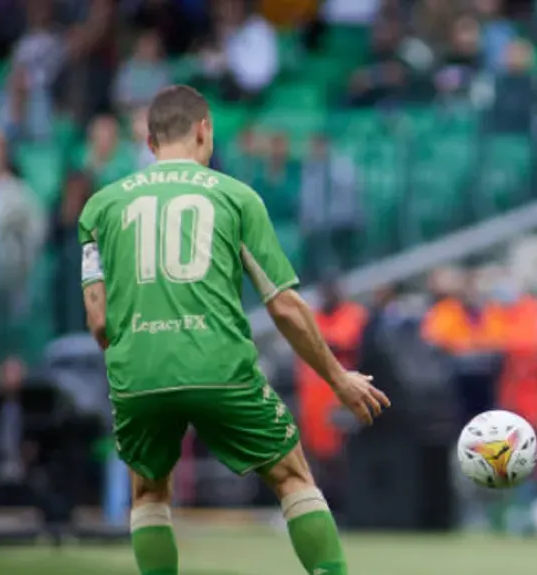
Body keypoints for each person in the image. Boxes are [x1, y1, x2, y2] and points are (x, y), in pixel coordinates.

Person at [78, 85, 390, 575]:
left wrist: (140, 354)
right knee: (292, 477)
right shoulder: (235, 196)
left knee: (148, 491)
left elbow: (97, 321)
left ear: (150, 139)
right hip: (218, 367)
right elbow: (284, 305)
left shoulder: (100, 207)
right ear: (204, 129)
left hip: (138, 372)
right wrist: (338, 377)